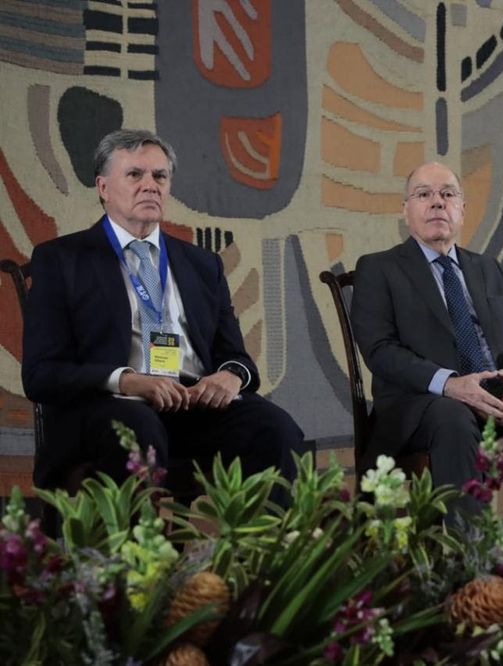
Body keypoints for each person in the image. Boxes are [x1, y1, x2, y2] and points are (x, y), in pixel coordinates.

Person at [22, 129, 308, 494]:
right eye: (135, 174)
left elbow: (236, 357)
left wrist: (231, 376)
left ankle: (268, 548)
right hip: (108, 407)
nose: (150, 185)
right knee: (139, 426)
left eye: (160, 176)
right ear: (103, 187)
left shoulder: (202, 263)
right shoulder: (61, 259)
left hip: (191, 407)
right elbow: (41, 374)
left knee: (275, 428)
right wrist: (128, 380)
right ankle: (140, 552)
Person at [351, 161, 503, 515]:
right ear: (406, 210)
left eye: (447, 194)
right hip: (420, 406)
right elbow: (381, 352)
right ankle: (469, 557)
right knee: (454, 420)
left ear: (462, 209)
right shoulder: (379, 268)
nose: (437, 202)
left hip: (497, 399)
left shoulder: (486, 267)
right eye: (423, 194)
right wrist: (452, 385)